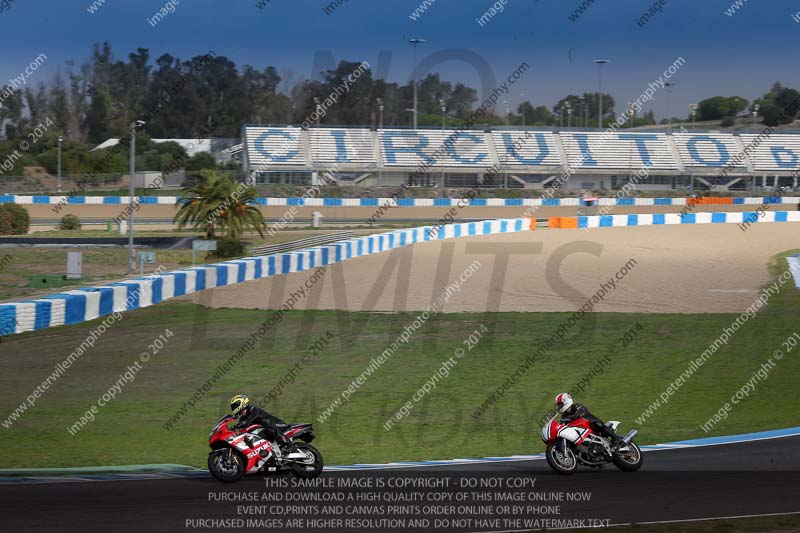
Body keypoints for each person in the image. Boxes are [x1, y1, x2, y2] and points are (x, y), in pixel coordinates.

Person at [555, 392, 622, 445]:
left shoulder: (577, 406)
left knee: (596, 423)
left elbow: (580, 413)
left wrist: (570, 418)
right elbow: (562, 425)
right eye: (558, 405)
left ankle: (615, 438)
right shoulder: (564, 416)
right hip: (580, 434)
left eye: (560, 404)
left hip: (591, 426)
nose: (559, 407)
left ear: (566, 402)